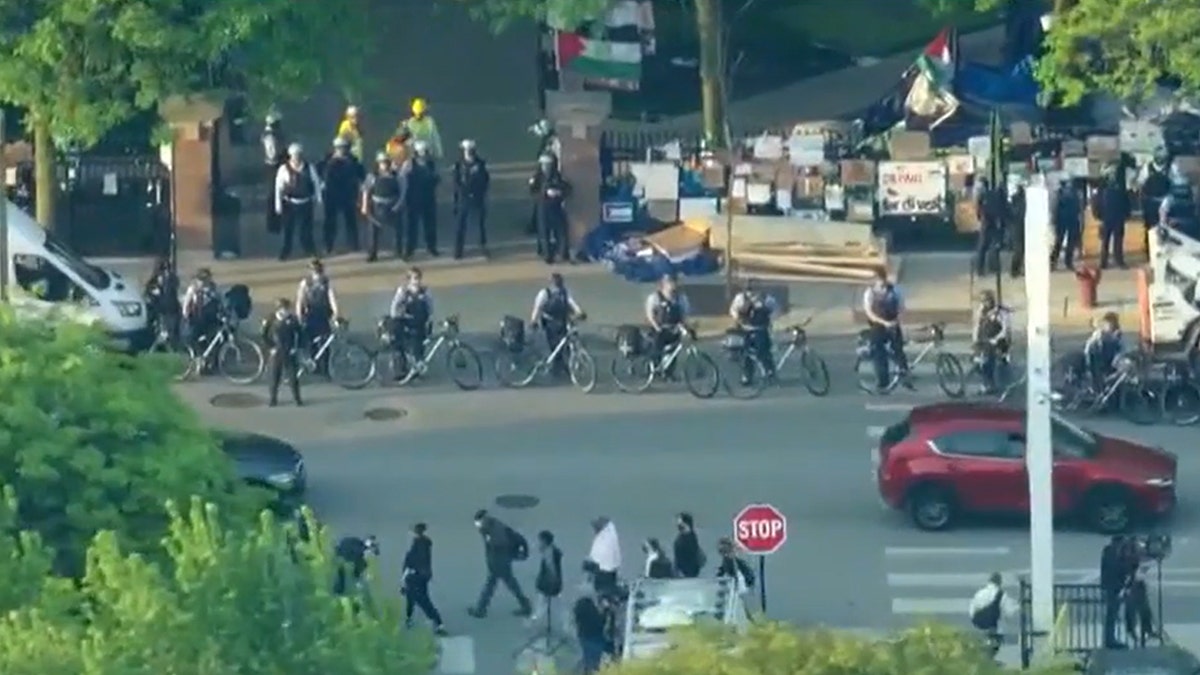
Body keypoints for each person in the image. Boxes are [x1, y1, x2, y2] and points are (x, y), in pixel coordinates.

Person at [468, 509, 533, 618]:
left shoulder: (492, 529)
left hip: (499, 561)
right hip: (502, 560)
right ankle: (525, 605)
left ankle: (480, 609)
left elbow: (496, 545)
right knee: (509, 583)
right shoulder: (495, 525)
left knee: (492, 584)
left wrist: (492, 560)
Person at [862, 268, 910, 393]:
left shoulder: (895, 290)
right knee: (879, 352)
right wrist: (884, 323)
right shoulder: (870, 293)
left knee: (898, 348)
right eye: (877, 280)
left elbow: (901, 307)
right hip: (877, 325)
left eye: (881, 279)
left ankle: (904, 375)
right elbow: (869, 312)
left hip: (893, 322)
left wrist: (896, 320)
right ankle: (883, 381)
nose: (880, 282)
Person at [530, 272, 585, 377]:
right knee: (555, 344)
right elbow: (537, 307)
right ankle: (557, 366)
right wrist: (534, 321)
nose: (558, 284)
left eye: (559, 282)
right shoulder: (545, 293)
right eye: (556, 282)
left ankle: (567, 365)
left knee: (567, 342)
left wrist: (580, 312)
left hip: (563, 320)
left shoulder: (565, 292)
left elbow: (572, 303)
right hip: (550, 322)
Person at [274, 143, 322, 260]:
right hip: (289, 204)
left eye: (299, 155)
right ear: (290, 156)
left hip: (306, 203)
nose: (297, 157)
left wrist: (319, 199)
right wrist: (278, 204)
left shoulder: (309, 167)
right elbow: (279, 188)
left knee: (306, 230)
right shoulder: (283, 169)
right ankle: (285, 252)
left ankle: (310, 250)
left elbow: (316, 183)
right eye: (294, 155)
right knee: (288, 230)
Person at [729, 280, 778, 384]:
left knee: (764, 351)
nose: (752, 292)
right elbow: (733, 310)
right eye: (750, 289)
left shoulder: (766, 299)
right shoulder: (740, 298)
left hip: (761, 329)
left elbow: (774, 310)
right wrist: (737, 317)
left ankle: (770, 371)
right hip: (745, 329)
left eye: (755, 289)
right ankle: (747, 375)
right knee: (747, 354)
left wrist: (770, 318)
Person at [320, 136, 364, 253]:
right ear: (335, 148)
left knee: (351, 221)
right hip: (331, 195)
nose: (342, 150)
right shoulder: (327, 161)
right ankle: (328, 245)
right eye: (340, 148)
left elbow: (362, 175)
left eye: (345, 148)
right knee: (330, 222)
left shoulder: (353, 161)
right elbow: (318, 175)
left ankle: (354, 245)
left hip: (348, 195)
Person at [402, 522, 446, 635]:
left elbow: (412, 561)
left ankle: (438, 623)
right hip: (420, 576)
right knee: (411, 597)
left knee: (422, 601)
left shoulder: (418, 544)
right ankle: (408, 618)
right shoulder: (424, 543)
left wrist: (408, 574)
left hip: (415, 576)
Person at [361, 151, 406, 262]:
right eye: (382, 162)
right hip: (376, 206)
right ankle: (372, 254)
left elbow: (403, 191)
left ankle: (398, 252)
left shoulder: (398, 176)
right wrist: (364, 206)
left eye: (386, 162)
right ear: (378, 163)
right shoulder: (372, 176)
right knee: (372, 231)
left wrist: (398, 205)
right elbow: (366, 191)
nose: (384, 165)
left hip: (392, 205)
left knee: (398, 230)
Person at [645, 274, 691, 376]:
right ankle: (654, 369)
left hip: (674, 329)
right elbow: (650, 314)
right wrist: (657, 327)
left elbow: (684, 315)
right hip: (659, 329)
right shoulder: (655, 297)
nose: (673, 285)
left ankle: (669, 372)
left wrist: (685, 326)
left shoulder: (681, 298)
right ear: (664, 285)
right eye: (670, 282)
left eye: (675, 282)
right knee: (657, 348)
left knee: (673, 351)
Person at [530, 154, 572, 264]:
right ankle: (547, 255)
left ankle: (562, 253)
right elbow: (533, 192)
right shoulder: (537, 177)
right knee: (544, 232)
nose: (546, 167)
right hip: (543, 208)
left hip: (556, 207)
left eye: (548, 164)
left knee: (561, 231)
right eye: (544, 165)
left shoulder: (557, 176)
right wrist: (544, 194)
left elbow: (567, 188)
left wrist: (559, 193)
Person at [261, 298, 304, 407]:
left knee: (293, 377)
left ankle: (297, 398)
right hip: (276, 352)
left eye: (286, 309)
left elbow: (300, 335)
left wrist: (296, 348)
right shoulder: (270, 319)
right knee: (274, 377)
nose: (284, 311)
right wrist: (270, 348)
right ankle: (273, 399)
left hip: (289, 351)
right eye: (281, 309)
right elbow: (264, 336)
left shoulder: (293, 320)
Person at [453, 139, 490, 259]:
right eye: (466, 150)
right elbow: (456, 182)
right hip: (463, 198)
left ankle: (483, 247)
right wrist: (461, 194)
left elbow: (485, 180)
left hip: (477, 197)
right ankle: (458, 250)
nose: (468, 153)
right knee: (460, 225)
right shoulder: (459, 164)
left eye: (470, 150)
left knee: (480, 224)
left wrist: (479, 193)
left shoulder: (480, 164)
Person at [295, 259, 340, 358]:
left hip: (321, 314)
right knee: (314, 340)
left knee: (323, 340)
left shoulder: (326, 283)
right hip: (311, 313)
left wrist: (336, 312)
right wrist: (299, 314)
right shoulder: (307, 283)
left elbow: (331, 298)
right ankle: (317, 361)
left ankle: (322, 363)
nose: (317, 273)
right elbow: (300, 300)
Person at [402, 140, 440, 258]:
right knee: (412, 226)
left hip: (428, 199)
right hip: (413, 199)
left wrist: (435, 180)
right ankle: (409, 249)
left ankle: (431, 247)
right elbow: (402, 180)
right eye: (421, 153)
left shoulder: (431, 164)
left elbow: (436, 179)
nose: (424, 155)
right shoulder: (409, 165)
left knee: (430, 225)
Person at [389, 267, 433, 366]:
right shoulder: (403, 291)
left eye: (419, 278)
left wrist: (430, 319)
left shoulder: (425, 291)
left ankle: (418, 362)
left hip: (421, 321)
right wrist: (397, 318)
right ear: (409, 280)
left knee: (420, 343)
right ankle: (402, 363)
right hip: (407, 321)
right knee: (405, 343)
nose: (417, 281)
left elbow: (430, 306)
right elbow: (394, 306)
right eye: (415, 278)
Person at [971, 290, 1012, 394]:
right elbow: (977, 326)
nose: (985, 303)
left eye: (987, 300)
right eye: (983, 301)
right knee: (978, 362)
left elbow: (1005, 329)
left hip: (998, 341)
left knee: (990, 360)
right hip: (984, 341)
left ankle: (994, 385)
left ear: (992, 300)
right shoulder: (981, 312)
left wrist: (996, 339)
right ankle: (986, 383)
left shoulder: (1001, 312)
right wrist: (975, 340)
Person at [968, 572, 1019, 654]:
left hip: (977, 621)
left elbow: (972, 609)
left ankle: (985, 648)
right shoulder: (1001, 594)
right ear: (1000, 582)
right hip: (991, 623)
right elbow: (1009, 612)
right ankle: (990, 653)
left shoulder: (980, 593)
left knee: (986, 638)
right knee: (997, 637)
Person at [1100, 536, 1131, 648]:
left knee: (1112, 614)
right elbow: (1115, 569)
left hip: (1113, 587)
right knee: (1112, 614)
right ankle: (1110, 640)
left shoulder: (1109, 551)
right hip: (1114, 587)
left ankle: (1111, 638)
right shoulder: (1112, 553)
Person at [1083, 312, 1124, 391]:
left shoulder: (1117, 336)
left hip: (1112, 362)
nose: (1110, 327)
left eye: (1112, 324)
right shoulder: (1099, 336)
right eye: (1108, 324)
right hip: (1099, 362)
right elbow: (1089, 348)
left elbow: (1121, 350)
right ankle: (1097, 385)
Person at [181, 268, 221, 349]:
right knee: (193, 338)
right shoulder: (193, 289)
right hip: (197, 318)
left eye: (206, 279)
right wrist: (186, 317)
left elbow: (219, 300)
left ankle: (213, 356)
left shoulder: (213, 289)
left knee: (213, 338)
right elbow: (186, 305)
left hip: (210, 318)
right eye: (201, 280)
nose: (203, 282)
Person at [715, 537, 756, 616]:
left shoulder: (738, 565)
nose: (726, 555)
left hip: (738, 597)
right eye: (724, 553)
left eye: (727, 552)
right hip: (729, 599)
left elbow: (748, 579)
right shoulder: (724, 567)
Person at [143, 257, 180, 341]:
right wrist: (154, 292)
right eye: (163, 269)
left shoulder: (172, 278)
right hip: (159, 308)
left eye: (168, 268)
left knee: (171, 327)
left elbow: (173, 289)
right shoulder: (154, 280)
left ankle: (171, 341)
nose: (165, 271)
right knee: (161, 326)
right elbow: (148, 291)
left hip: (171, 307)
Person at [262, 111, 287, 235]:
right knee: (273, 193)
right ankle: (273, 223)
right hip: (273, 167)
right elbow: (272, 154)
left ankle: (277, 220)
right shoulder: (270, 136)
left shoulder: (274, 134)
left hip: (275, 165)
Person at [974, 179, 1005, 275]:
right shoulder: (994, 194)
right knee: (993, 246)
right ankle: (994, 268)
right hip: (994, 222)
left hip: (986, 222)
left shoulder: (982, 196)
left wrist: (980, 218)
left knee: (982, 247)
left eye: (979, 186)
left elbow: (978, 211)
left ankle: (980, 270)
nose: (978, 189)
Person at [1098, 175, 1129, 269]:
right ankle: (1118, 261)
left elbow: (1096, 205)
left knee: (1107, 242)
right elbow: (1127, 205)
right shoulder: (1121, 192)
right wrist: (1126, 216)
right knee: (1116, 242)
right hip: (1116, 219)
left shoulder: (1102, 192)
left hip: (1108, 219)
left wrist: (1100, 217)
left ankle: (1105, 262)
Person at [572, 593, 608, 674]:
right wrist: (605, 610)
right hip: (596, 641)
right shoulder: (596, 618)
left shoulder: (580, 620)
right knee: (593, 666)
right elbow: (602, 623)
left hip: (583, 641)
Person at [585, 517, 621, 597]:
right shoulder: (610, 538)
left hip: (603, 574)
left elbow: (597, 558)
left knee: (603, 594)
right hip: (609, 573)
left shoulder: (604, 541)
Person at [1139, 147, 1172, 235]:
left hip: (1164, 201)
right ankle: (1149, 246)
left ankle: (1161, 245)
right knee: (1149, 226)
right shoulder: (1147, 167)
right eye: (1159, 155)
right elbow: (1141, 181)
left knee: (1163, 227)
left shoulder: (1170, 168)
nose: (1160, 157)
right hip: (1150, 201)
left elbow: (1176, 181)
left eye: (1162, 155)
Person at [533, 530, 564, 624]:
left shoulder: (548, 554)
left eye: (540, 541)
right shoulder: (552, 551)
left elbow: (551, 569)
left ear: (545, 541)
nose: (538, 543)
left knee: (542, 606)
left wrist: (547, 584)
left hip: (548, 585)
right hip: (553, 585)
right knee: (556, 607)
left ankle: (535, 623)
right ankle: (565, 625)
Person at [1051, 180, 1083, 270]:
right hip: (1067, 219)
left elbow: (1055, 206)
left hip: (1066, 219)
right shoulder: (1074, 193)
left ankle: (1058, 262)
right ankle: (1061, 262)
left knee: (1065, 242)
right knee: (1063, 242)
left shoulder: (1061, 192)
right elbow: (1055, 206)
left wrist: (1054, 219)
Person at [672, 512, 705, 578]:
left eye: (679, 521)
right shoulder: (683, 536)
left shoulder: (690, 538)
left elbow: (690, 555)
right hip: (681, 570)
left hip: (688, 571)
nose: (677, 523)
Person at [1007, 183, 1026, 278]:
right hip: (1017, 227)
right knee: (1018, 250)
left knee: (1020, 250)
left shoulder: (1016, 202)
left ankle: (1017, 269)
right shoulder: (1019, 202)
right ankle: (1014, 270)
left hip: (1018, 227)